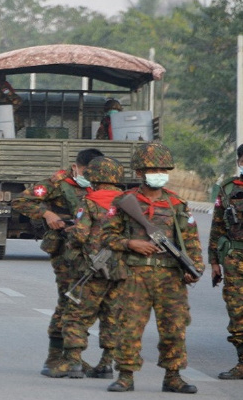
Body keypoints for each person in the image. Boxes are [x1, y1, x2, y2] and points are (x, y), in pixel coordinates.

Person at [101, 143, 203, 393]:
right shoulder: (125, 202)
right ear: (139, 173)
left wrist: (194, 268)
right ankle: (125, 375)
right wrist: (130, 243)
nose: (158, 172)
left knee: (175, 327)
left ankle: (173, 376)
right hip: (135, 275)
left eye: (162, 169)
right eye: (152, 169)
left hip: (171, 277)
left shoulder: (177, 204)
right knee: (129, 326)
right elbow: (105, 237)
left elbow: (190, 241)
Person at [11, 148, 104, 376]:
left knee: (87, 305)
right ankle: (55, 358)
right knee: (68, 300)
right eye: (86, 171)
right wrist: (47, 214)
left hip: (91, 251)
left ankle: (74, 357)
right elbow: (21, 201)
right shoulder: (57, 183)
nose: (89, 175)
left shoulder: (100, 185)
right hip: (65, 250)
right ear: (76, 166)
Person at [46, 156, 126, 379]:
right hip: (120, 268)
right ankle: (106, 363)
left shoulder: (89, 201)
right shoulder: (129, 201)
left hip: (91, 269)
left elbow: (81, 235)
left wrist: (70, 238)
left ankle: (72, 363)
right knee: (112, 315)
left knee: (76, 315)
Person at [210, 143, 243, 380]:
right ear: (240, 162)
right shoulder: (228, 188)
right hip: (235, 259)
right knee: (237, 310)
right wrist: (214, 262)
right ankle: (242, 362)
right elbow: (217, 226)